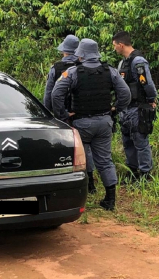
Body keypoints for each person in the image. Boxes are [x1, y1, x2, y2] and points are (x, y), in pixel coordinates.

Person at [52, 38, 131, 211]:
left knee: (78, 159)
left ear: (81, 54)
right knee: (105, 161)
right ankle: (110, 200)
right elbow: (125, 93)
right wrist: (115, 109)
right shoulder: (109, 71)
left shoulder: (73, 72)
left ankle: (79, 196)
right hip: (104, 122)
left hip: (81, 123)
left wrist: (63, 115)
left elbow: (56, 94)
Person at [43, 35, 96, 194]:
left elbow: (49, 94)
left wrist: (51, 114)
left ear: (64, 51)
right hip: (82, 114)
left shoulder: (57, 68)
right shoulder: (84, 66)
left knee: (61, 146)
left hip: (61, 114)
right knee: (85, 149)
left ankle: (63, 181)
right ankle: (90, 182)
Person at [112, 31, 157, 179]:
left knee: (140, 141)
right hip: (125, 109)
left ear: (121, 44)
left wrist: (151, 99)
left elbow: (147, 83)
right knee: (127, 141)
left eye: (114, 46)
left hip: (138, 108)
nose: (114, 49)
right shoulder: (122, 63)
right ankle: (132, 171)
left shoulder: (138, 62)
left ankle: (145, 173)